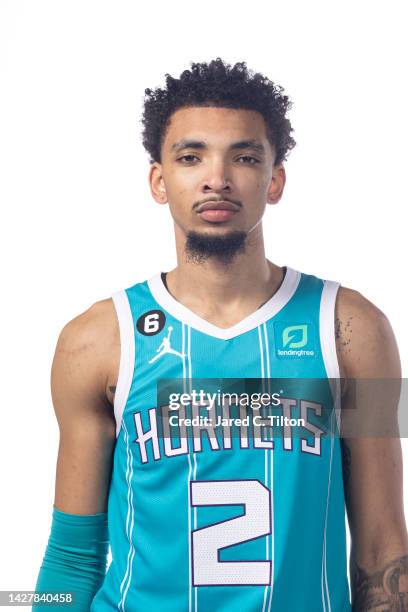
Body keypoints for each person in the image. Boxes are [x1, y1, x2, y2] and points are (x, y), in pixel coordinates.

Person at [34, 58, 408, 611]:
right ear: (159, 181)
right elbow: (73, 554)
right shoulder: (95, 341)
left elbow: (383, 553)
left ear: (275, 180)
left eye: (246, 157)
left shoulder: (356, 329)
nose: (217, 178)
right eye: (191, 157)